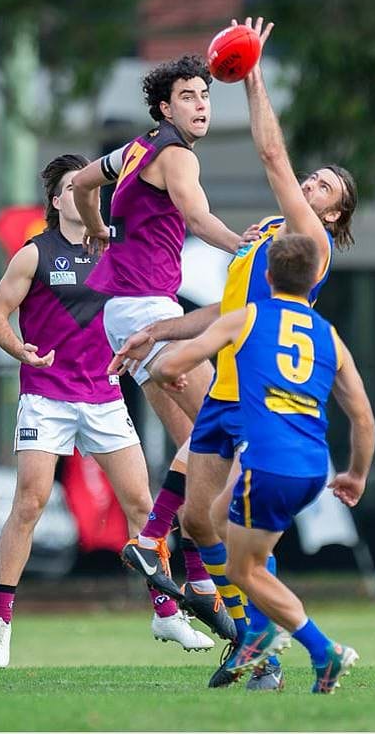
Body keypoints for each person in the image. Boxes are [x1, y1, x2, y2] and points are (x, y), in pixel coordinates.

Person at [107, 18, 357, 690]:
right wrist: (160, 331)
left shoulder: (310, 241)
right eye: (313, 180)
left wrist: (252, 75)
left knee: (236, 531)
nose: (310, 187)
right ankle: (249, 635)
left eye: (324, 189)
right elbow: (227, 311)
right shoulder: (269, 236)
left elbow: (272, 155)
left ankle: (268, 647)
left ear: (332, 216)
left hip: (258, 393)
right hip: (225, 384)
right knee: (200, 519)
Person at [0, 154, 211, 669]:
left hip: (104, 395)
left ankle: (166, 612)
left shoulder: (115, 251)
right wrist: (20, 351)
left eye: (92, 187)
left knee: (143, 505)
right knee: (31, 503)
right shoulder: (35, 254)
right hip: (47, 396)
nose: (87, 193)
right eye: (72, 187)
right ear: (56, 199)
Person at [67, 52, 259, 643]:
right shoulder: (176, 154)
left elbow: (81, 183)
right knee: (224, 429)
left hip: (126, 313)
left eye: (206, 94)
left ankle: (195, 580)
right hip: (149, 311)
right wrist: (245, 247)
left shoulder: (134, 150)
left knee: (195, 448)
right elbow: (197, 219)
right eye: (188, 96)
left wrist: (96, 229)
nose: (201, 105)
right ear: (164, 108)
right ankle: (153, 540)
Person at [148, 233, 375, 691]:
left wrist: (164, 373)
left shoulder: (248, 316)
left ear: (267, 276)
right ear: (314, 281)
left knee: (242, 569)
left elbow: (170, 365)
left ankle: (319, 650)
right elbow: (363, 417)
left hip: (270, 465)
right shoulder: (329, 335)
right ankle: (263, 637)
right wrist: (356, 475)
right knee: (213, 517)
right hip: (313, 467)